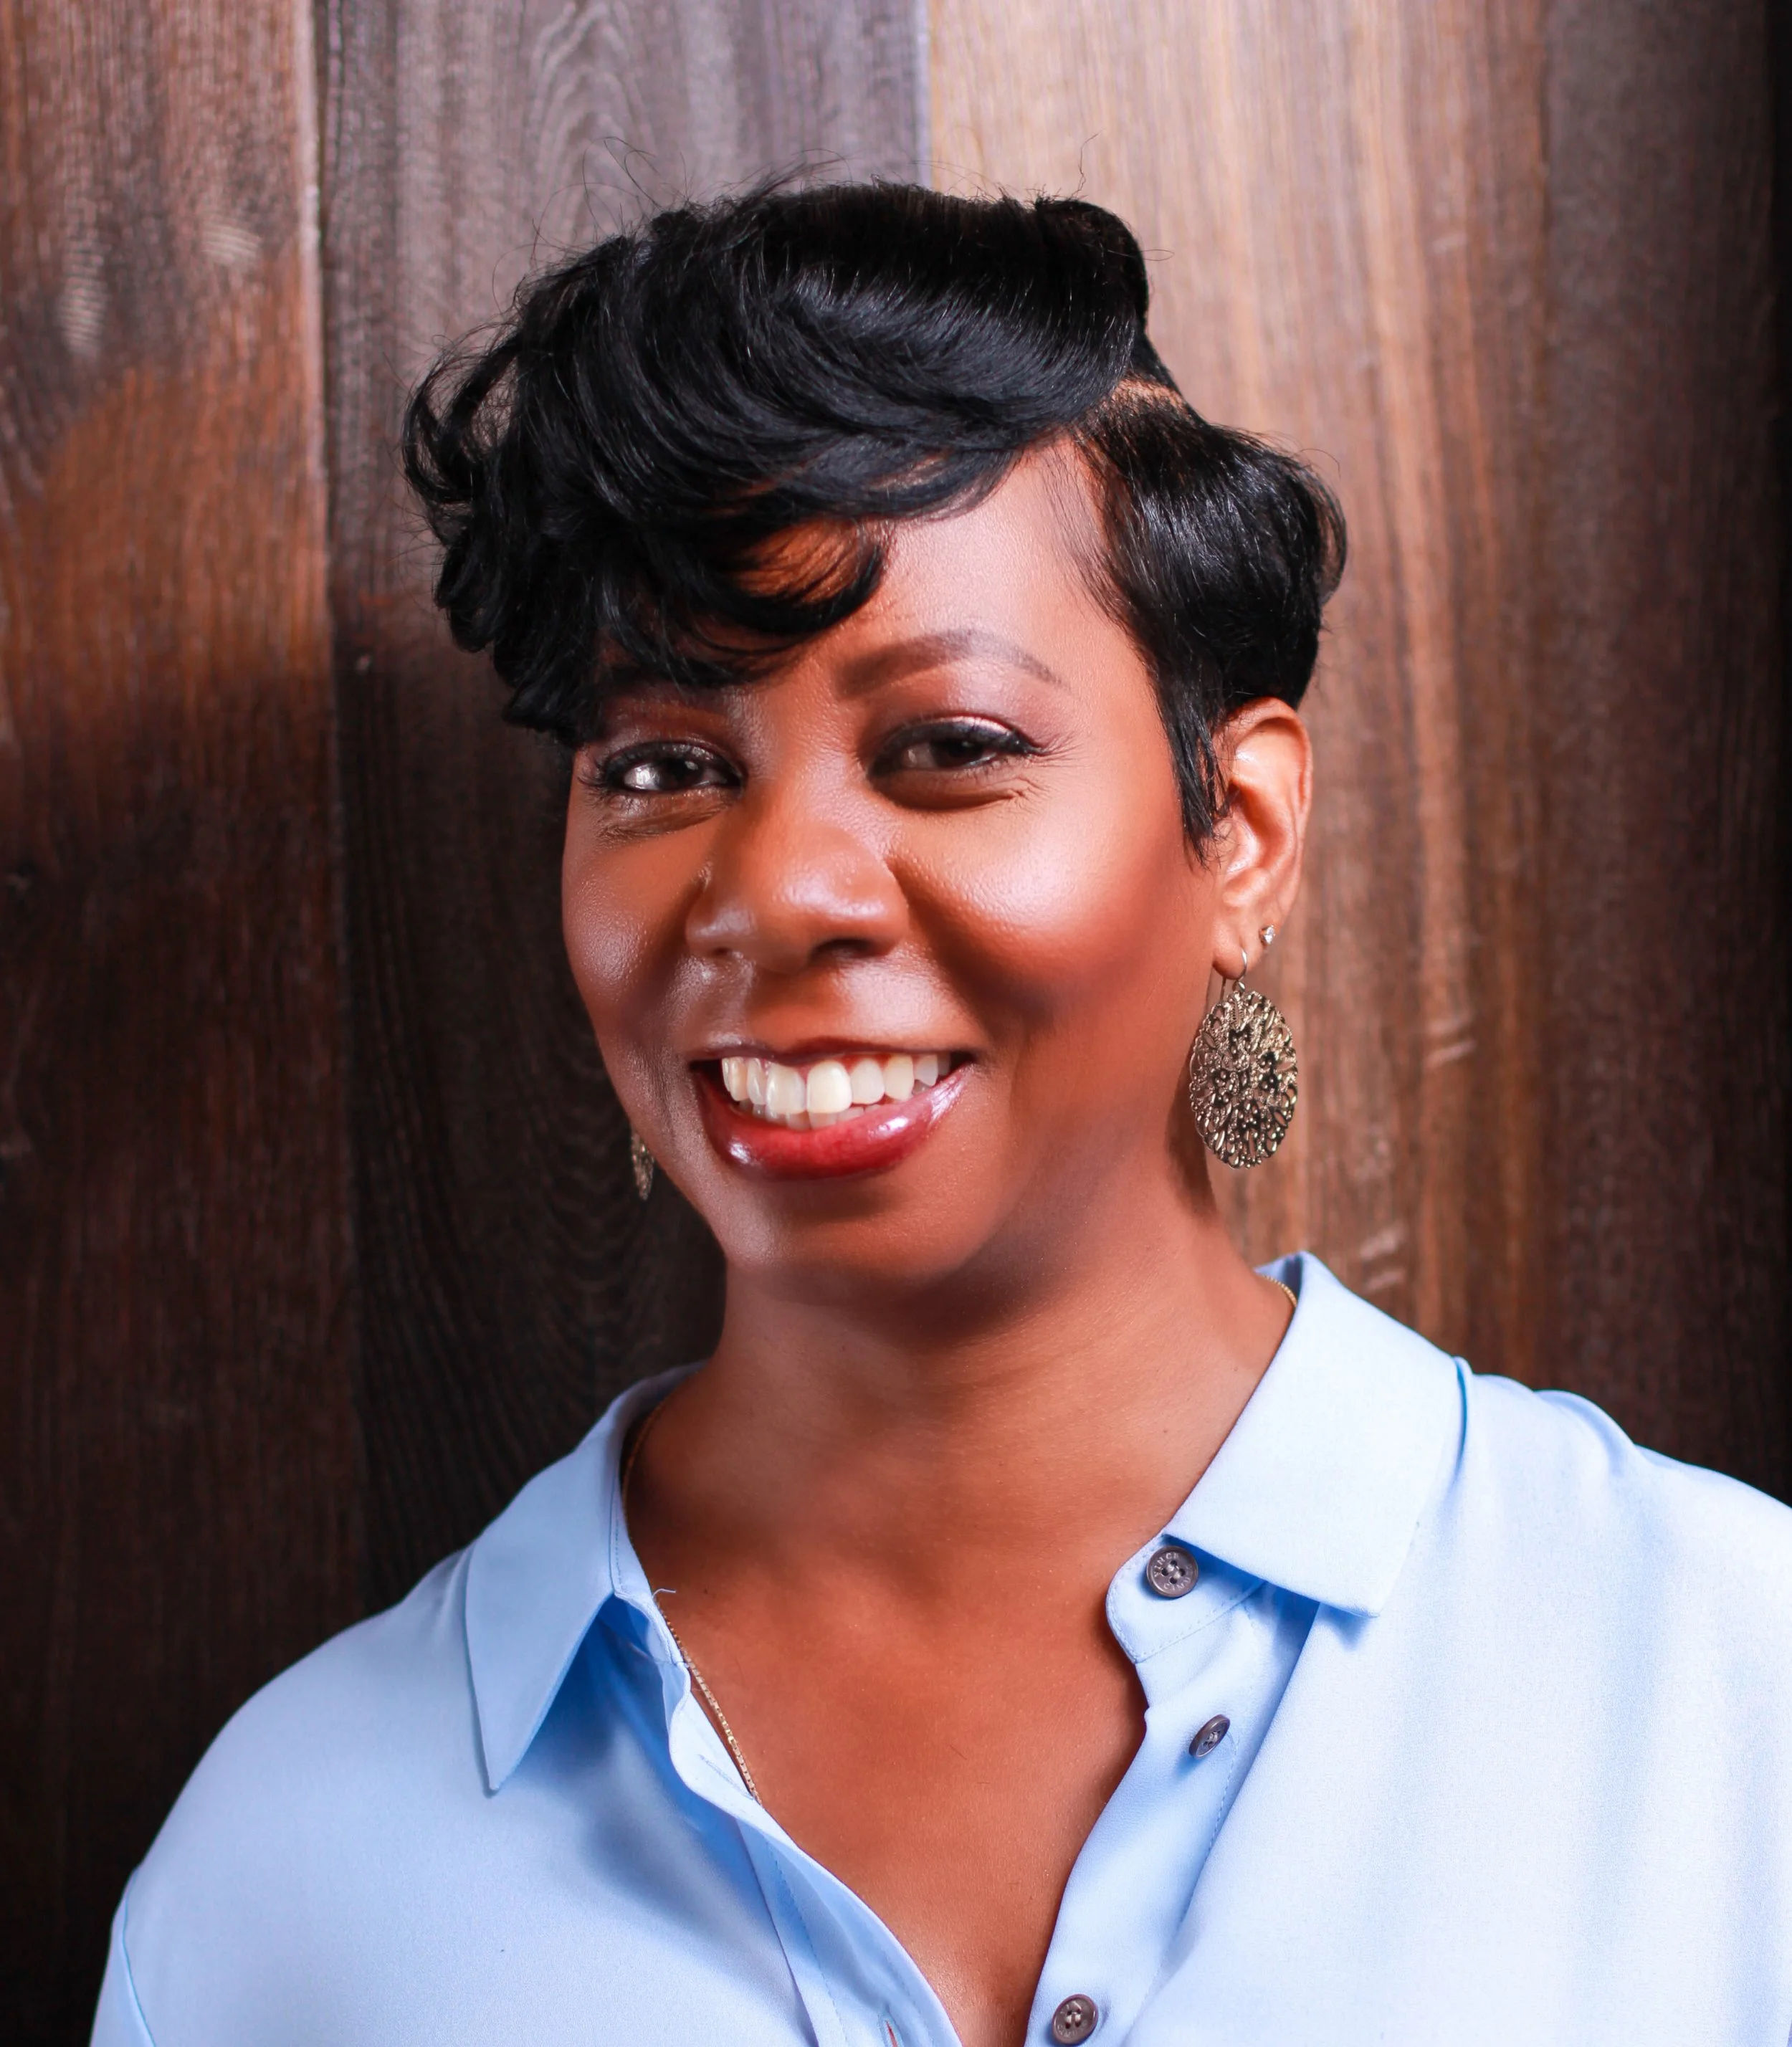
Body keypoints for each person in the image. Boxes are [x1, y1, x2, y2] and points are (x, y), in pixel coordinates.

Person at [93, 183, 1792, 2047]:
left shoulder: (1728, 1688)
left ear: (1238, 834)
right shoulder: (288, 1871)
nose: (777, 889)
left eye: (948, 749)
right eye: (662, 766)